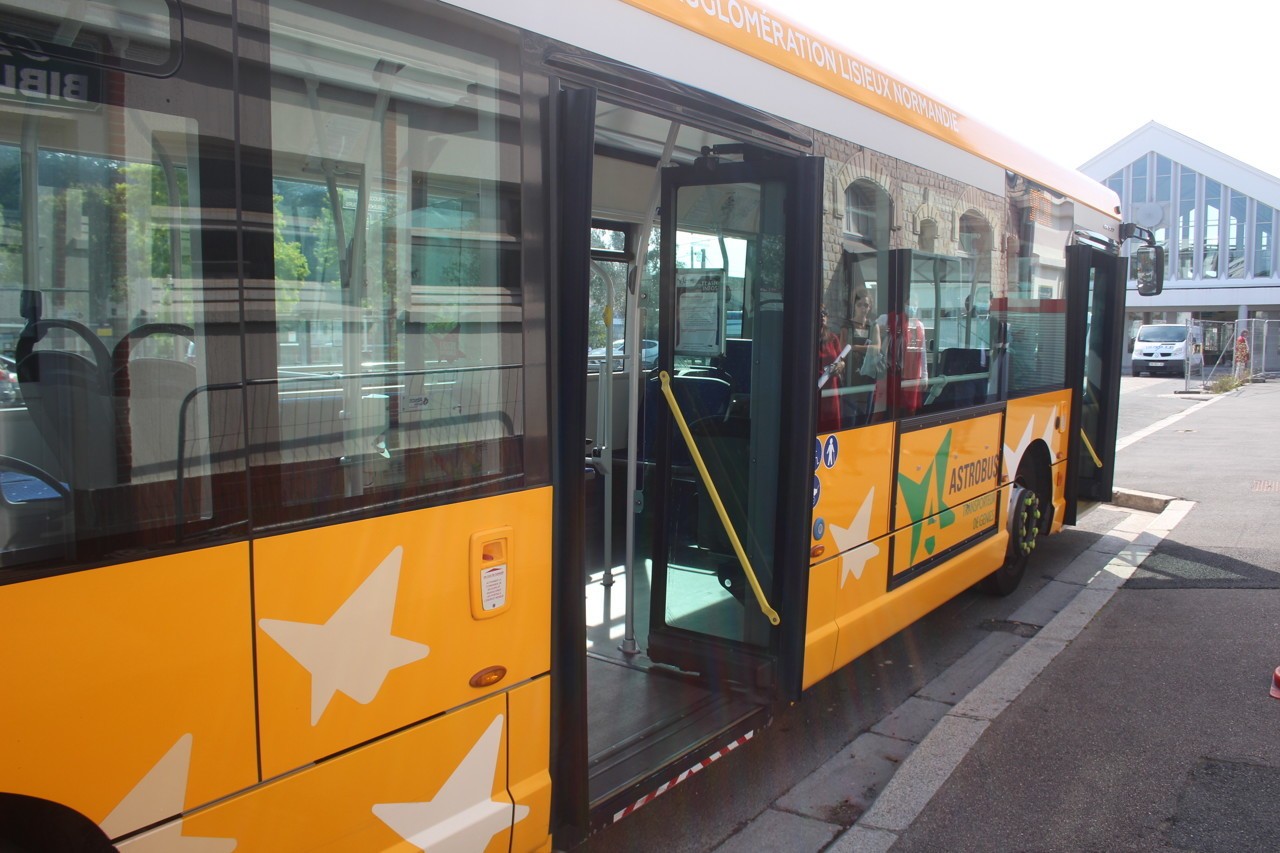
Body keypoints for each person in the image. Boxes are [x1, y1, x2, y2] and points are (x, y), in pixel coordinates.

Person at [843, 291, 880, 424]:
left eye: (866, 305)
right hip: (850, 378)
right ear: (854, 306)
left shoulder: (873, 325)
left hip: (867, 377)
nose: (863, 308)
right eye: (859, 305)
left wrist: (854, 347)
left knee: (864, 419)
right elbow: (843, 349)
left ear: (870, 307)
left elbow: (877, 348)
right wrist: (866, 348)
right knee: (850, 419)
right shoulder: (847, 325)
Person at [816, 304, 846, 432]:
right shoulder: (806, 337)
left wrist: (840, 366)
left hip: (831, 391)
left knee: (831, 430)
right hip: (815, 390)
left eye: (824, 313)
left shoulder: (832, 338)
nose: (822, 315)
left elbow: (841, 360)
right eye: (819, 312)